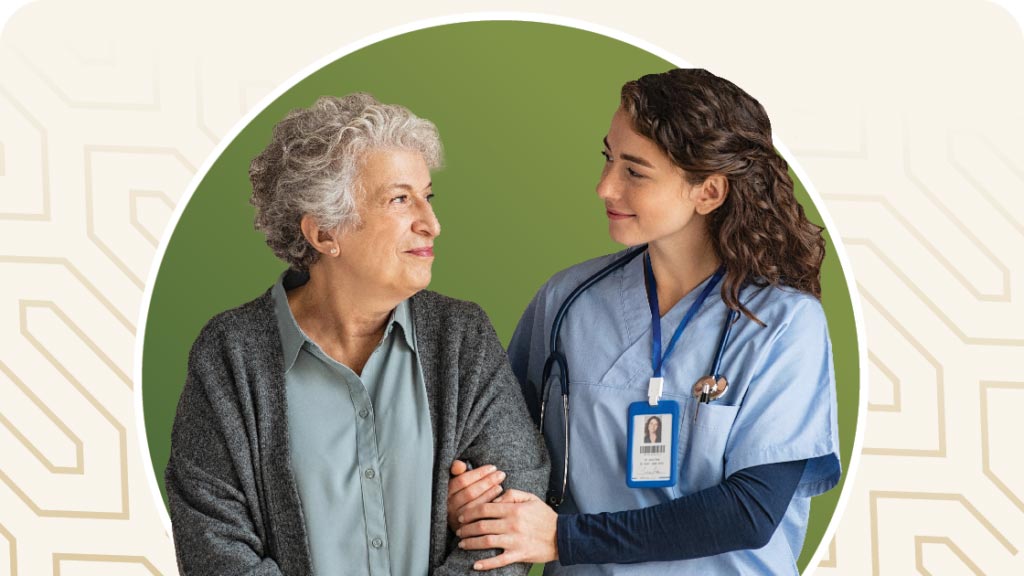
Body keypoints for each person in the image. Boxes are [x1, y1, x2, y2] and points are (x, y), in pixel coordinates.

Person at [446, 69, 841, 574]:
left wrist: (566, 538)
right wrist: (475, 496)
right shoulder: (568, 302)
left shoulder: (782, 326)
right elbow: (503, 447)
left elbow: (751, 510)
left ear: (709, 192)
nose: (604, 187)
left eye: (635, 171)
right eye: (608, 159)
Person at [165, 93, 548, 576]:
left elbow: (513, 507)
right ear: (324, 234)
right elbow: (213, 543)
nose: (431, 223)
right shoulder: (231, 354)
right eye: (399, 199)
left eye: (427, 197)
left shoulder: (461, 337)